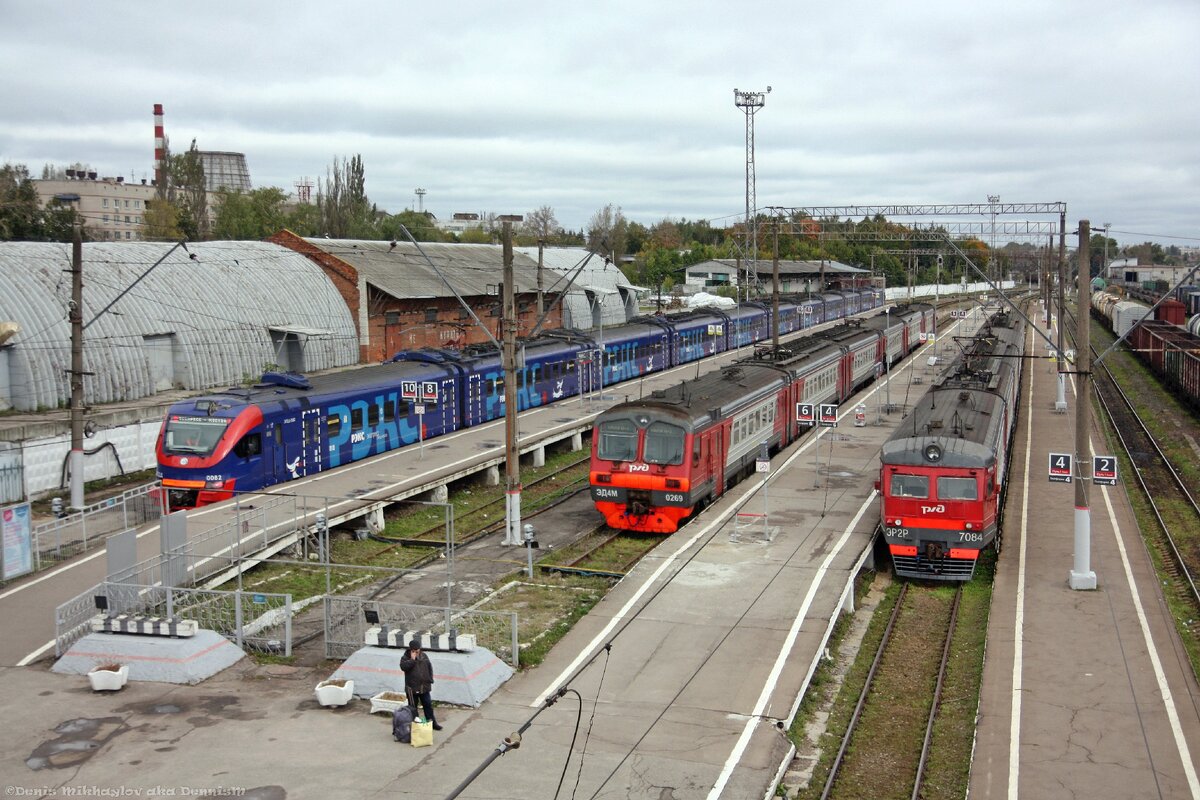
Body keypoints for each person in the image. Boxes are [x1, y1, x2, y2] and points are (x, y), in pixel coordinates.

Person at [400, 639, 442, 730]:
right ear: (410, 650)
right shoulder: (405, 658)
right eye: (414, 651)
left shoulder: (424, 656)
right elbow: (403, 667)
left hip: (424, 686)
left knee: (428, 705)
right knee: (413, 708)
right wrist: (412, 660)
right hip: (412, 688)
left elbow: (429, 667)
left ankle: (432, 723)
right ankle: (416, 725)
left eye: (417, 651)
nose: (416, 652)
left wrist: (430, 679)